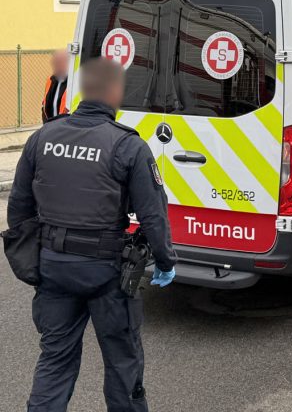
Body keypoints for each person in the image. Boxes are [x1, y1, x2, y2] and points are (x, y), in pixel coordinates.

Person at [8, 57, 177, 412]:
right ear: (116, 92)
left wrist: (34, 261)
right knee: (122, 364)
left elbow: (19, 208)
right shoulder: (128, 146)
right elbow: (152, 214)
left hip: (53, 267)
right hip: (107, 274)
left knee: (54, 362)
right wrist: (164, 261)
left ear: (82, 90)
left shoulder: (43, 137)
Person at [42, 49, 69, 122]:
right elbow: (44, 105)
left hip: (68, 128)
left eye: (59, 63)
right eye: (54, 63)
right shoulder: (51, 80)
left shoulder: (74, 83)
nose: (55, 66)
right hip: (52, 127)